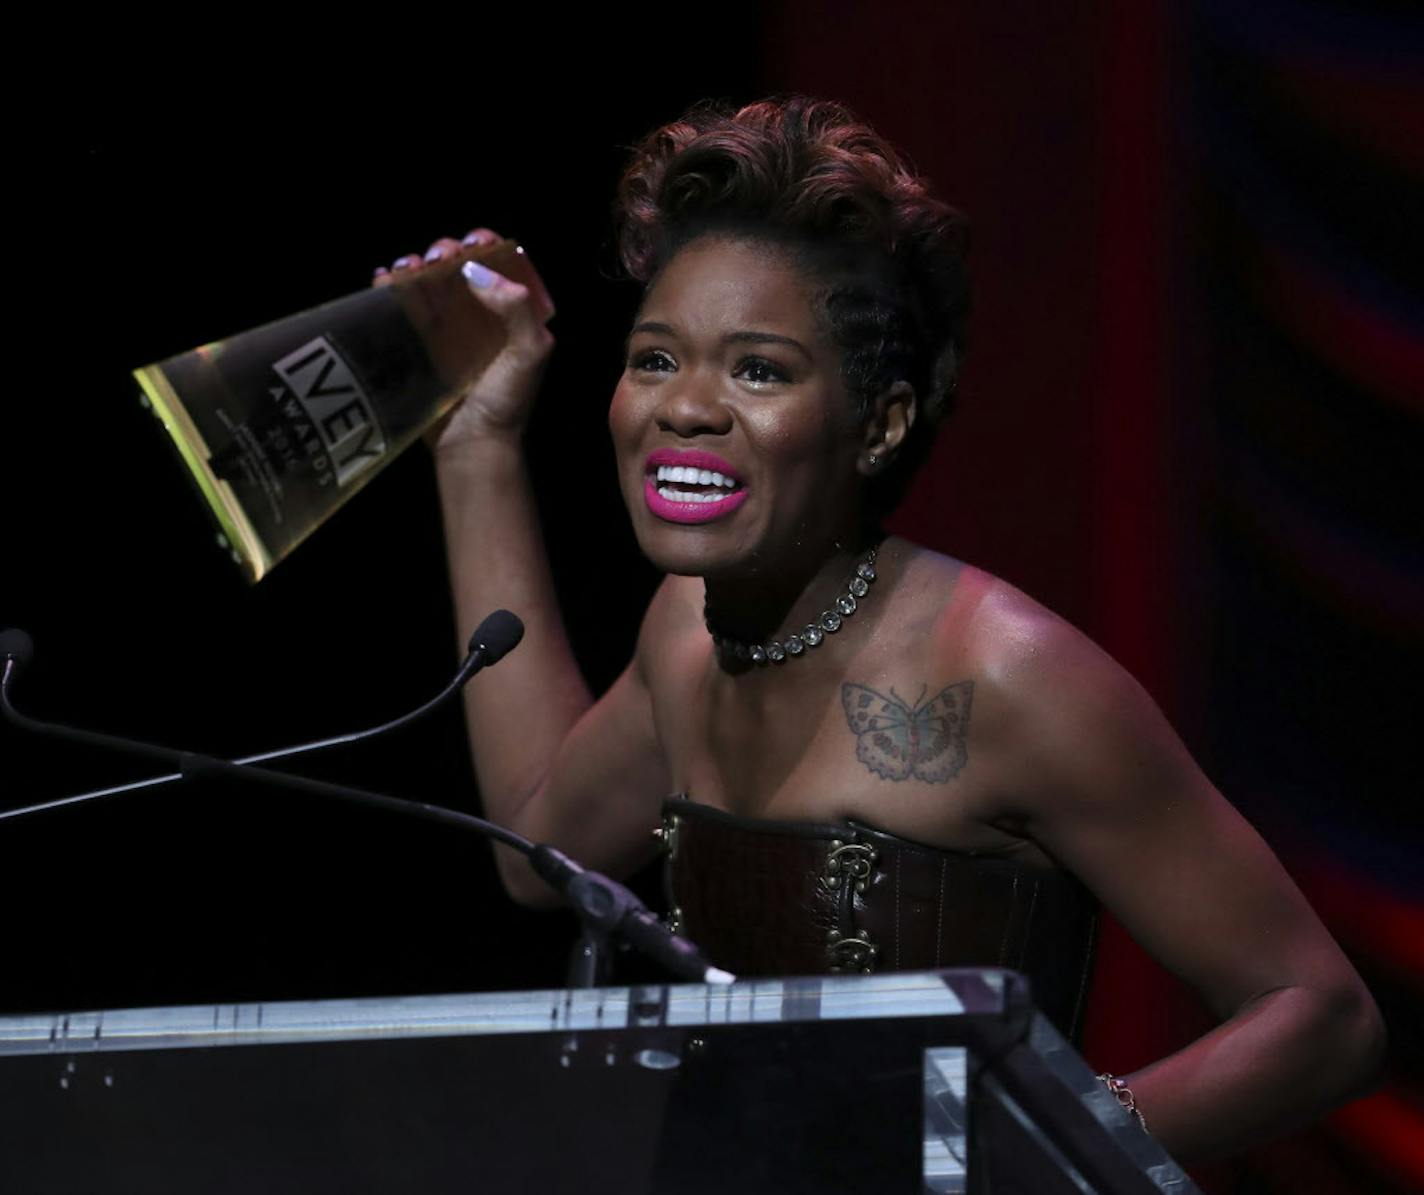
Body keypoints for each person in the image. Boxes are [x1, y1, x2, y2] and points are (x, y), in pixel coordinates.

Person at [376, 98, 1383, 1163]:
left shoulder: (1003, 673)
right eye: (656, 358)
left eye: (757, 369)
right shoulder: (684, 630)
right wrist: (475, 444)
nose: (685, 408)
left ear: (881, 422)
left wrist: (1023, 1156)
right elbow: (541, 852)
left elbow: (1319, 1016)